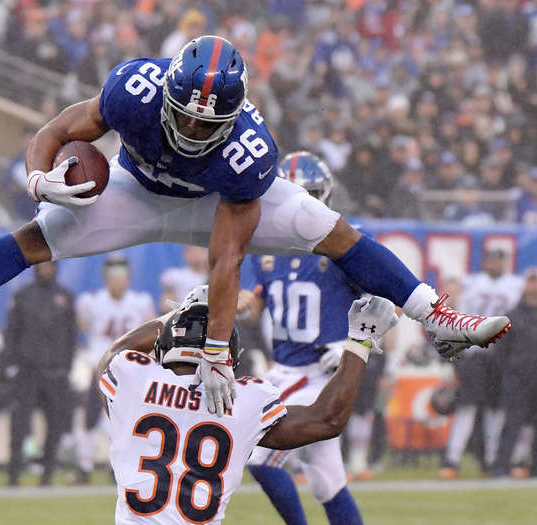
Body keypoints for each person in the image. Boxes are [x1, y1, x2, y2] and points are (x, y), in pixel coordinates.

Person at [0, 35, 510, 417]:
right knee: (42, 233)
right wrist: (39, 178)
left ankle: (436, 317)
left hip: (215, 202)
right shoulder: (134, 89)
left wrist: (214, 354)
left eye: (211, 123)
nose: (196, 129)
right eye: (189, 116)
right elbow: (59, 130)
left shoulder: (247, 152)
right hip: (137, 190)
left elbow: (225, 261)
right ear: (168, 92)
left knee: (325, 224)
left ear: (235, 117)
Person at [96, 290, 398, 524]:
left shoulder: (133, 379)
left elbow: (115, 352)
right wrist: (361, 340)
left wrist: (180, 312)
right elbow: (328, 420)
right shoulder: (243, 400)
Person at [236, 152, 364, 525]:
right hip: (285, 368)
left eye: (307, 195)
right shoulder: (267, 247)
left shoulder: (344, 242)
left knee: (259, 455)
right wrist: (243, 303)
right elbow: (259, 305)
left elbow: (390, 306)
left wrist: (353, 344)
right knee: (328, 484)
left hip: (322, 371)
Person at [439, 247, 523, 479]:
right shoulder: (472, 281)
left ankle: (493, 461)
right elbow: (449, 294)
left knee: (495, 410)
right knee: (467, 407)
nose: (494, 263)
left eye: (498, 259)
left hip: (500, 354)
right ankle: (452, 459)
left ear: (505, 261)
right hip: (473, 353)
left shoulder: (515, 284)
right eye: (491, 259)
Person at [75, 253, 155, 482]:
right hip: (98, 367)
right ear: (105, 278)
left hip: (129, 371)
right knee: (90, 418)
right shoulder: (91, 301)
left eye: (121, 277)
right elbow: (80, 327)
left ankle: (119, 467)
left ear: (128, 279)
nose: (117, 281)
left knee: (127, 420)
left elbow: (151, 334)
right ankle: (84, 466)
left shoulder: (140, 301)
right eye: (113, 276)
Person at [4, 261, 76, 487]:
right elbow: (12, 331)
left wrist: (66, 365)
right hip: (28, 370)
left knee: (54, 424)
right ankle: (14, 473)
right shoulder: (23, 295)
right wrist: (12, 363)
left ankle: (47, 473)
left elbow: (71, 335)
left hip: (55, 371)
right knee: (19, 423)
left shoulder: (65, 296)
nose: (47, 270)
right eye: (43, 265)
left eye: (50, 266)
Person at [492, 268, 537, 478]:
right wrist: (511, 371)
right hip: (518, 380)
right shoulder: (512, 316)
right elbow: (500, 350)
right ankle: (501, 467)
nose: (535, 286)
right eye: (531, 282)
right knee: (512, 424)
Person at [159, 246, 209, 312]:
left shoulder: (213, 278)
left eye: (200, 251)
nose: (197, 255)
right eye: (193, 251)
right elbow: (166, 305)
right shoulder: (175, 275)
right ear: (185, 254)